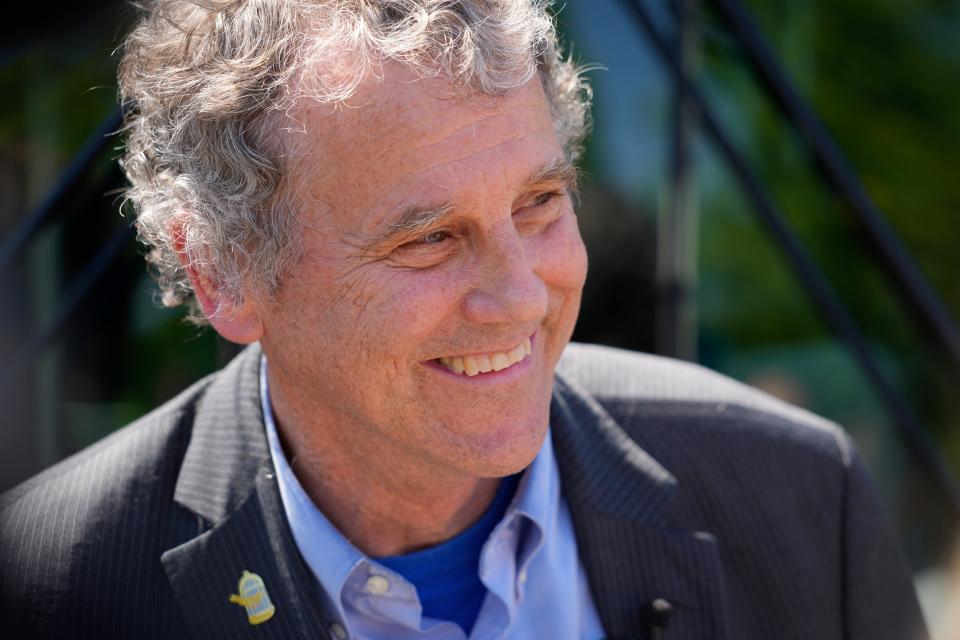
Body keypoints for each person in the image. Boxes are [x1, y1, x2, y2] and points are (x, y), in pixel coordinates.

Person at [0, 1, 928, 638]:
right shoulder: (49, 583)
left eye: (540, 203)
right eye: (431, 239)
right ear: (222, 275)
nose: (522, 297)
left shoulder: (801, 497)